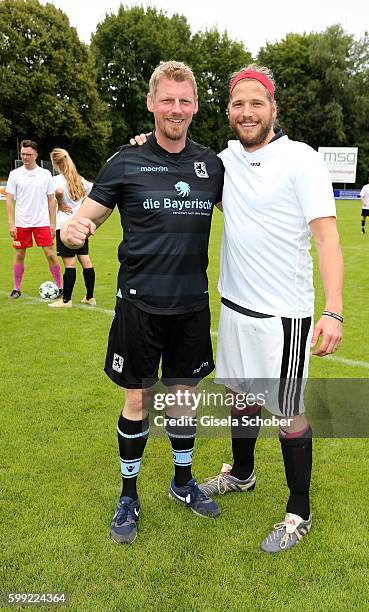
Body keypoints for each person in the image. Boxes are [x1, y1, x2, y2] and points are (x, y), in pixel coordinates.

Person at [61, 61, 224, 544]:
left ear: (195, 106)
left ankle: (182, 482)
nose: (176, 109)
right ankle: (129, 494)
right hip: (138, 305)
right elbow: (83, 223)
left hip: (191, 305)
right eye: (167, 100)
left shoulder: (212, 165)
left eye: (185, 100)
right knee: (137, 399)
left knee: (183, 400)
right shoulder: (125, 162)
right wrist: (70, 232)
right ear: (152, 104)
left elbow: (256, 204)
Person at [198, 65, 344, 553]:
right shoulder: (225, 161)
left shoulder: (301, 160)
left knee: (287, 412)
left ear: (273, 109)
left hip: (284, 315)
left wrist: (334, 310)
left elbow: (326, 238)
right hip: (235, 306)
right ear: (228, 112)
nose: (247, 112)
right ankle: (241, 474)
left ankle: (299, 511)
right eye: (238, 104)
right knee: (240, 396)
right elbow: (182, 170)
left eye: (256, 103)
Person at [6, 139, 63, 298]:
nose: (25, 157)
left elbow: (52, 200)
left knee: (51, 254)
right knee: (19, 255)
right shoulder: (14, 174)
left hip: (42, 222)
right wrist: (11, 223)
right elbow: (9, 200)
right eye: (23, 154)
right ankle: (17, 289)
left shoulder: (45, 174)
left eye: (29, 154)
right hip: (21, 223)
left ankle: (60, 287)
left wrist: (53, 224)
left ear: (36, 155)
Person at [48, 148, 96, 308]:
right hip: (80, 227)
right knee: (86, 260)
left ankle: (66, 300)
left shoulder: (57, 180)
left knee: (70, 264)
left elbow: (59, 191)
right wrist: (83, 207)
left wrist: (61, 202)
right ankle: (90, 297)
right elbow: (94, 190)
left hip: (64, 228)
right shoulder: (80, 180)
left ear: (55, 163)